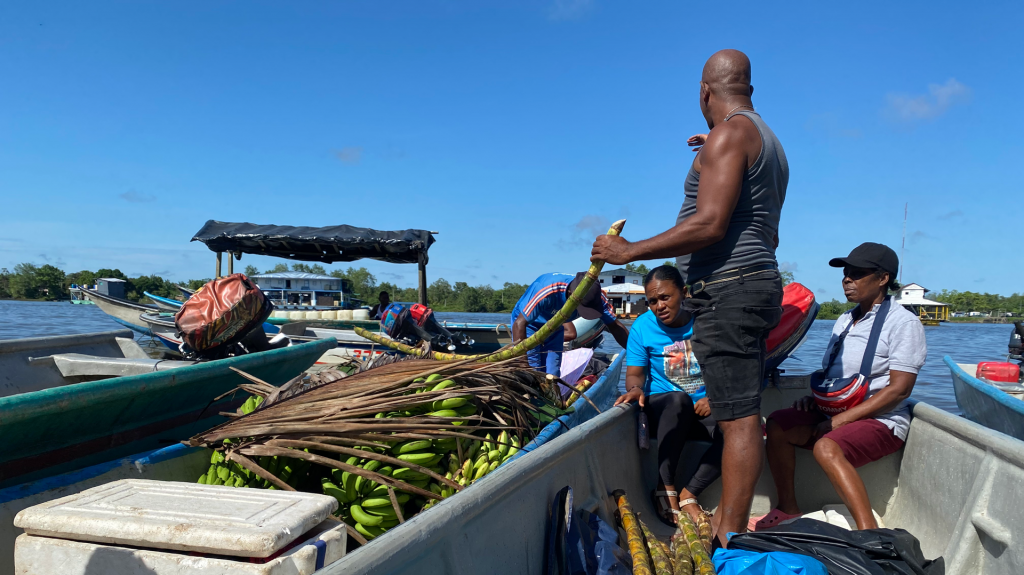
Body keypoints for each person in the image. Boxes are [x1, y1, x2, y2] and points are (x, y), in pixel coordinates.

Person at [591, 49, 787, 545]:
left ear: (704, 93)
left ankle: (729, 537)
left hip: (730, 289)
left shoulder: (731, 136)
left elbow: (710, 224)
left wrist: (628, 250)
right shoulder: (765, 141)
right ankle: (727, 526)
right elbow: (761, 227)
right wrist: (715, 147)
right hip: (754, 281)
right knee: (737, 411)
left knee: (738, 418)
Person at [758, 243, 926, 530]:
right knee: (777, 424)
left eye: (857, 274)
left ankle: (868, 532)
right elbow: (835, 375)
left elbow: (900, 390)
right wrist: (816, 400)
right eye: (846, 274)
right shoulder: (845, 320)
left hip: (882, 420)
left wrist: (839, 420)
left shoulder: (903, 323)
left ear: (883, 278)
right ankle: (788, 509)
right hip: (838, 413)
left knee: (826, 447)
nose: (847, 280)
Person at [614, 265, 723, 527]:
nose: (659, 306)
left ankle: (689, 494)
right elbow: (636, 374)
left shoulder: (707, 321)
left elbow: (724, 369)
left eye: (666, 297)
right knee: (677, 399)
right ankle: (665, 487)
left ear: (683, 293)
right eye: (652, 301)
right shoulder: (642, 326)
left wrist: (715, 398)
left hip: (703, 409)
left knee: (742, 427)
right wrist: (634, 389)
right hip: (665, 408)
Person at [511, 272, 630, 376]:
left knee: (552, 374)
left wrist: (638, 354)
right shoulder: (547, 289)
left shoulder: (598, 298)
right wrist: (523, 365)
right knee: (533, 369)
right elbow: (519, 323)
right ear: (570, 294)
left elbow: (615, 327)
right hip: (529, 325)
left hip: (555, 326)